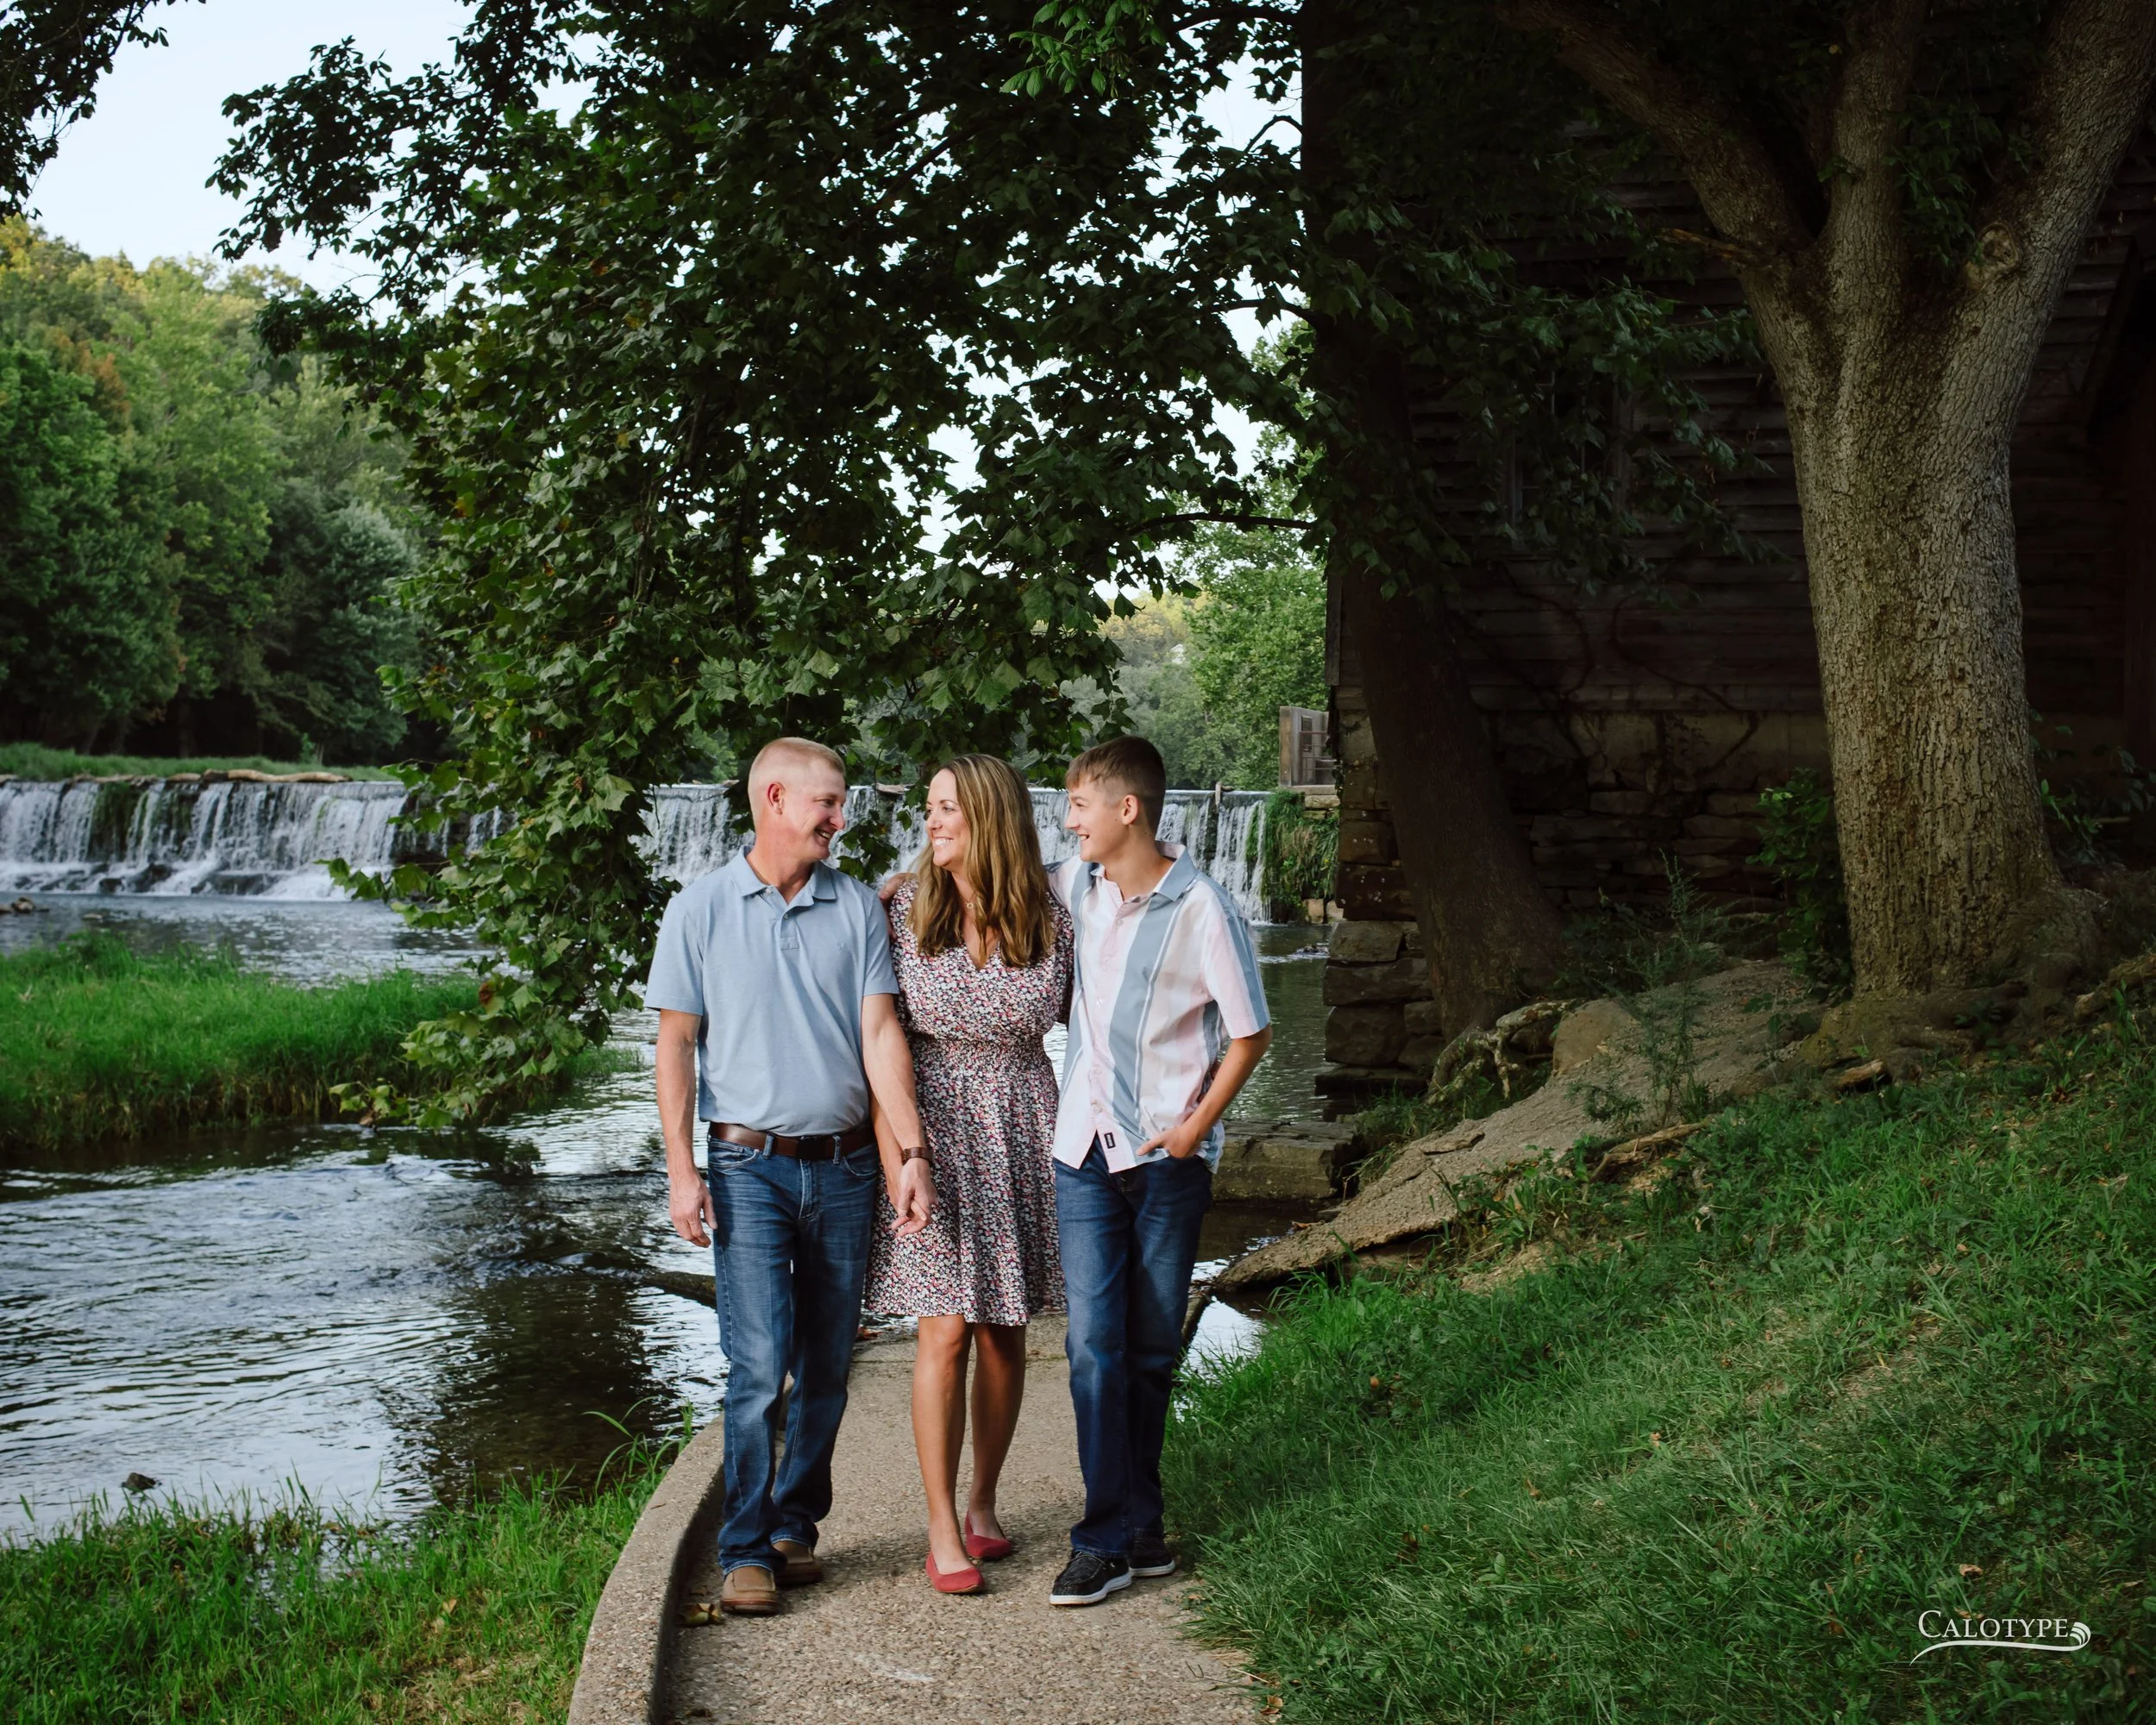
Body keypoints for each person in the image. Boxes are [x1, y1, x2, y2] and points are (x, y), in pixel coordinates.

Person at [648, 737, 936, 1618]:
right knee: (757, 1362)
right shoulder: (698, 909)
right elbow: (674, 1046)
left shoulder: (855, 908)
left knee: (826, 1364)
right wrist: (681, 1170)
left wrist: (910, 1152)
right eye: (827, 803)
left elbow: (882, 1034)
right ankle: (743, 1547)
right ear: (775, 798)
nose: (840, 818)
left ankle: (793, 1525)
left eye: (841, 803)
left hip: (847, 1164)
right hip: (745, 1167)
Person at [1045, 736, 1272, 1608]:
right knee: (1093, 1345)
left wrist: (1194, 1131)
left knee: (1143, 1349)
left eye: (1079, 806)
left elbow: (1248, 1032)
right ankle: (1105, 1537)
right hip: (1082, 1155)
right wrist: (896, 887)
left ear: (1125, 809)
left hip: (1166, 1162)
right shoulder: (1077, 885)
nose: (1069, 822)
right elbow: (988, 878)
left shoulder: (1203, 908)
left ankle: (1140, 1525)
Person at [863, 754, 1075, 1595]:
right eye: (928, 807)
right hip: (931, 1128)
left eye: (947, 807)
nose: (931, 821)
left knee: (1005, 1327)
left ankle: (985, 1501)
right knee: (943, 1327)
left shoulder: (1053, 915)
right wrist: (897, 1158)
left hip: (1025, 1121)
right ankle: (941, 1525)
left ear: (989, 815)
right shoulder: (900, 908)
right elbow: (878, 1046)